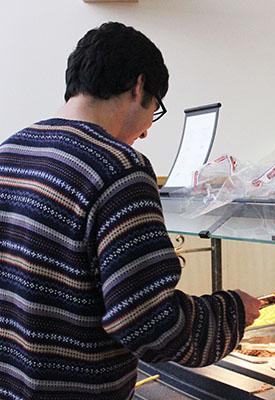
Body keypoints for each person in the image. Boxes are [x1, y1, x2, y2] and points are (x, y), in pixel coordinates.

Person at [0, 22, 261, 400]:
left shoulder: (10, 155)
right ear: (139, 86)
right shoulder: (118, 169)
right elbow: (149, 324)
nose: (145, 133)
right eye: (154, 111)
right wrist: (232, 312)